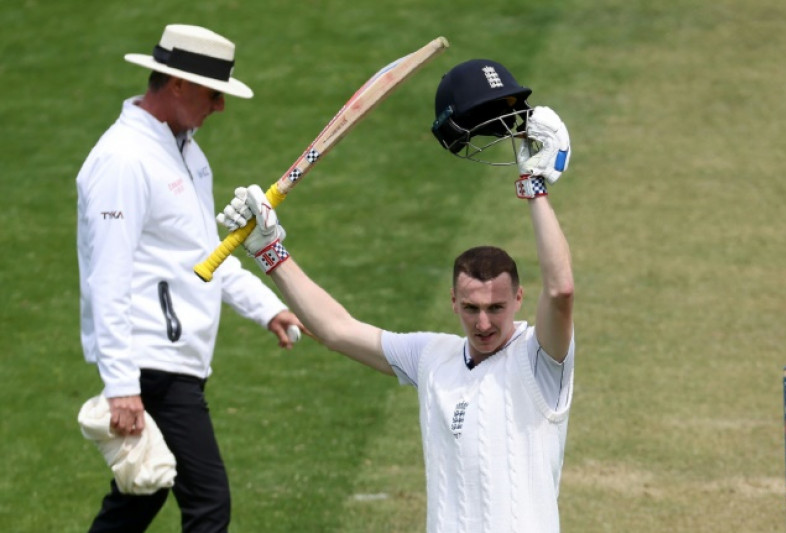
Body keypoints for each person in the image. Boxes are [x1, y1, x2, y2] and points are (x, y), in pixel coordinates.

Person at [218, 59, 575, 532]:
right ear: (453, 302)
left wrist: (536, 191)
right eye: (470, 308)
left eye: (495, 308)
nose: (483, 323)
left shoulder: (540, 361)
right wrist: (269, 252)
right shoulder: (432, 357)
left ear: (518, 300)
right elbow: (337, 330)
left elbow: (562, 289)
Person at [76, 24, 304, 533]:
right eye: (213, 93)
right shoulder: (122, 161)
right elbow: (106, 277)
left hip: (176, 359)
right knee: (207, 501)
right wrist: (121, 386)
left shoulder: (188, 153)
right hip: (151, 361)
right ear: (177, 85)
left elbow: (204, 257)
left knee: (144, 490)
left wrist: (266, 307)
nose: (220, 106)